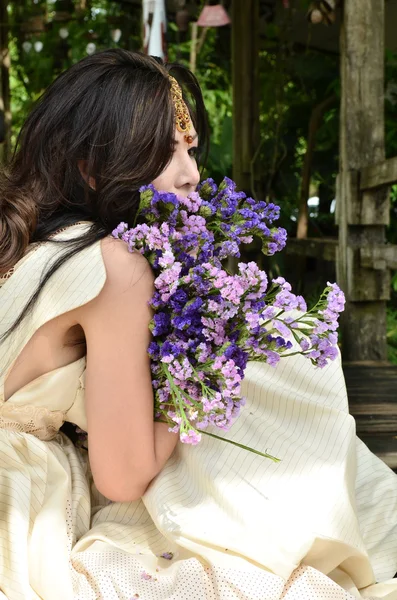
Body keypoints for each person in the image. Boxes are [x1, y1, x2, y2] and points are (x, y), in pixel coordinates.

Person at [0, 49, 396, 600]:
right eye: (165, 154)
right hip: (19, 503)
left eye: (190, 150)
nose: (193, 175)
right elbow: (123, 474)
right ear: (92, 166)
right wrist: (213, 365)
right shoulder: (114, 266)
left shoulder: (26, 242)